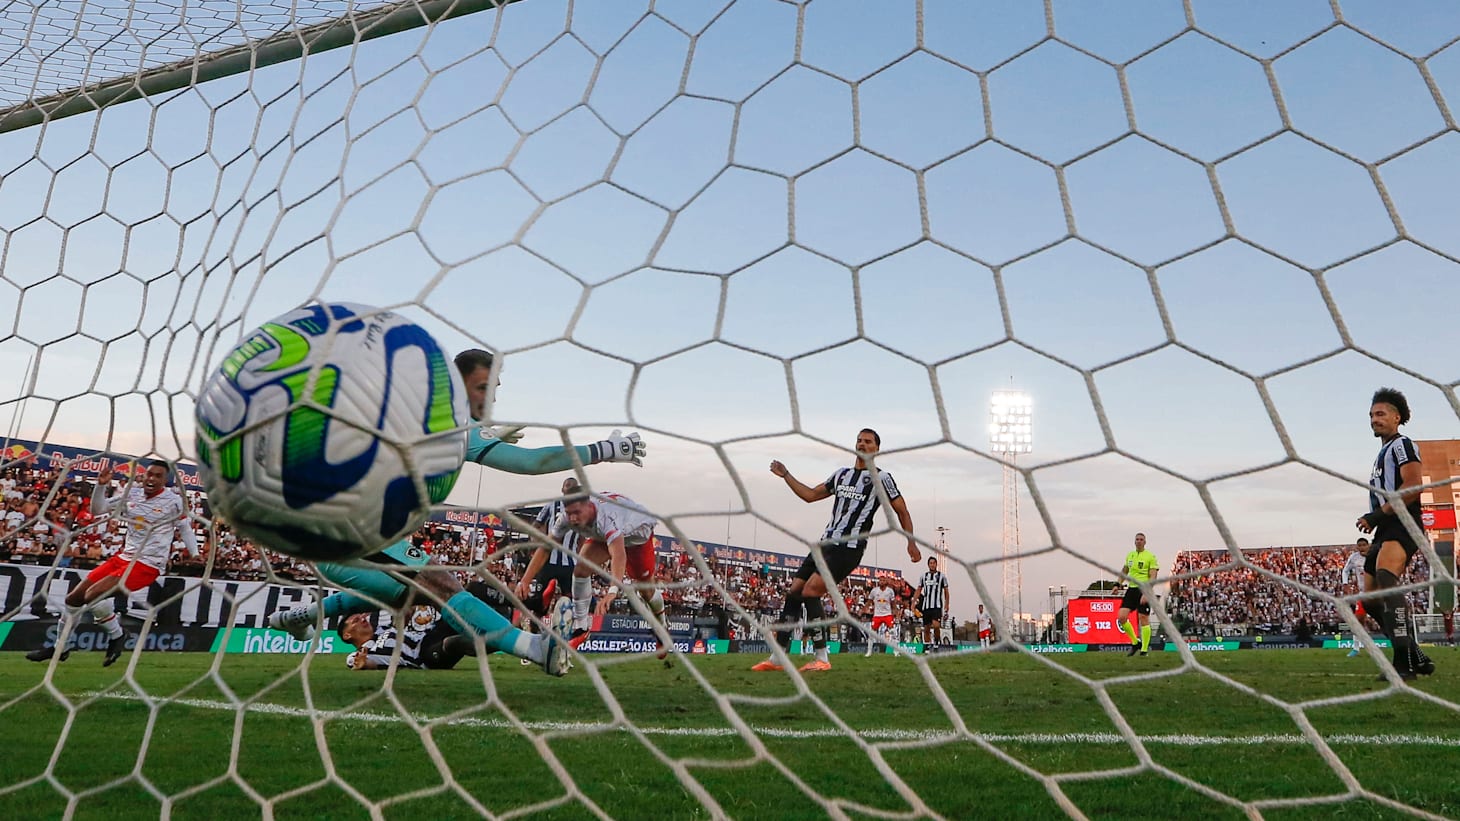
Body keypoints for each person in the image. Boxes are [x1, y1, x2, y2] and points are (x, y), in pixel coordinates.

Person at [269, 348, 645, 677]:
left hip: (333, 533)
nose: (490, 396)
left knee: (406, 594)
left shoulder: (426, 413)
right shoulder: (451, 423)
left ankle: (296, 617)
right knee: (443, 585)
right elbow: (532, 462)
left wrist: (489, 436)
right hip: (345, 529)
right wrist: (607, 449)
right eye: (483, 387)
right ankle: (536, 648)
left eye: (494, 388)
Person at [753, 428, 920, 673]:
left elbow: (902, 511)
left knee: (811, 592)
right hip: (824, 544)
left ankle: (822, 658)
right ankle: (778, 658)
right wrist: (786, 475)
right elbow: (811, 495)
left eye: (868, 441)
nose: (862, 444)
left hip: (849, 548)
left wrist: (911, 542)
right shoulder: (841, 474)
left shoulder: (882, 478)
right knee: (794, 592)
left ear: (877, 449)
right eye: (859, 440)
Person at [26, 460, 200, 667]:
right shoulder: (132, 494)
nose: (152, 479)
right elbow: (98, 509)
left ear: (165, 480)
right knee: (73, 599)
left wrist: (195, 552)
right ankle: (60, 647)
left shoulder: (173, 501)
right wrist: (100, 486)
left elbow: (185, 528)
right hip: (123, 557)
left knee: (93, 595)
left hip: (148, 564)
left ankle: (117, 635)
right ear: (144, 476)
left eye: (158, 476)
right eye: (149, 474)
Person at [1355, 387, 1435, 680]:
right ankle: (1416, 656)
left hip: (1403, 521)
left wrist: (1376, 515)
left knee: (1387, 582)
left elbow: (1413, 486)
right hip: (1385, 527)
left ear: (1396, 417)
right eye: (1371, 415)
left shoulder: (1403, 444)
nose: (1374, 419)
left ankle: (1403, 665)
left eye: (1380, 414)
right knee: (1371, 600)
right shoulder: (1383, 452)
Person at [558, 485, 669, 657]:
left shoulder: (607, 516)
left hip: (637, 538)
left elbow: (618, 555)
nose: (573, 518)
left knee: (646, 590)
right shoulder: (573, 513)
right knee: (581, 570)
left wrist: (612, 591)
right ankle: (581, 627)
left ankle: (662, 627)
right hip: (610, 535)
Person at [515, 477, 583, 655]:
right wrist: (538, 541)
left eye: (572, 487)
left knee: (570, 603)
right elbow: (536, 524)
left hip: (570, 563)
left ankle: (564, 645)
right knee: (539, 603)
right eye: (567, 487)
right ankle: (532, 639)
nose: (569, 490)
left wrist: (581, 552)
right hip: (548, 561)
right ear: (562, 489)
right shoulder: (551, 505)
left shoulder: (581, 509)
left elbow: (584, 535)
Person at [1117, 532, 1159, 657]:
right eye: (1137, 539)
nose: (1139, 541)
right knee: (1122, 617)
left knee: (1143, 618)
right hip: (1132, 589)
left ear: (1145, 542)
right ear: (1134, 542)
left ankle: (1144, 650)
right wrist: (1117, 584)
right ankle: (1135, 643)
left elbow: (1153, 576)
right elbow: (1124, 571)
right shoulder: (1130, 555)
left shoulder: (1150, 556)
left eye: (1141, 539)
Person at [1341, 537, 1370, 657]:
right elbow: (1345, 570)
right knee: (1358, 620)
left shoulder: (1375, 555)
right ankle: (1356, 648)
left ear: (1368, 546)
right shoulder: (1354, 557)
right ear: (1357, 547)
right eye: (1360, 545)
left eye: (1364, 545)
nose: (1362, 547)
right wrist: (1345, 583)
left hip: (1377, 593)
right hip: (1363, 594)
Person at [915, 556, 949, 647]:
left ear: (936, 564)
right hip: (926, 606)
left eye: (934, 563)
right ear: (928, 565)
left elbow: (946, 591)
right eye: (931, 563)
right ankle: (927, 646)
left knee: (936, 625)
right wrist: (913, 602)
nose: (932, 565)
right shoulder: (923, 576)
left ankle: (937, 641)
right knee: (926, 628)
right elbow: (919, 589)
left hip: (937, 606)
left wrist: (947, 604)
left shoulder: (942, 576)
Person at [865, 575, 897, 657]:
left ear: (886, 582)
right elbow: (869, 601)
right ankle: (869, 651)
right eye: (880, 580)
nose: (881, 582)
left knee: (893, 632)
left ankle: (896, 651)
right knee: (872, 633)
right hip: (877, 615)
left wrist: (895, 612)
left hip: (887, 614)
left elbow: (893, 603)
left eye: (883, 580)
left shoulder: (890, 591)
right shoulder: (874, 591)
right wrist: (865, 608)